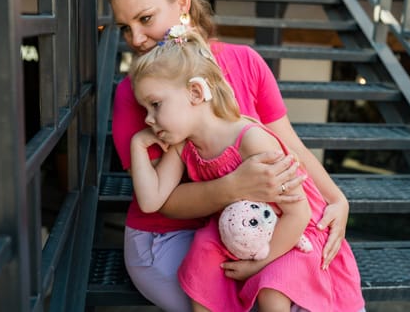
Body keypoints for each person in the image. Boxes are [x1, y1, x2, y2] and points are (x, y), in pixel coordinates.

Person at [105, 0, 351, 310]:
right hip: (167, 233)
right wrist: (237, 186)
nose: (136, 39)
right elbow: (164, 201)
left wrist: (337, 199)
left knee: (297, 291)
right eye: (125, 28)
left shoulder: (246, 61)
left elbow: (290, 147)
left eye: (145, 19)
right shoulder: (138, 93)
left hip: (247, 225)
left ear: (182, 2)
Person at [129, 28, 365, 312]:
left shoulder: (251, 139)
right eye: (145, 108)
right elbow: (151, 200)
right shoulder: (183, 147)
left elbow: (299, 213)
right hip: (247, 229)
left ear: (195, 92)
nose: (149, 119)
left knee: (272, 289)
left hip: (294, 232)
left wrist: (259, 264)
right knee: (201, 255)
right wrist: (137, 144)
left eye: (155, 105)